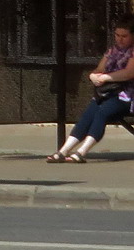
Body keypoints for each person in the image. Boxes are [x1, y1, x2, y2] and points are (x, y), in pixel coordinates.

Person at [46, 13, 134, 163]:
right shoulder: (112, 51)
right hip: (108, 93)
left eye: (124, 36)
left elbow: (129, 73)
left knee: (102, 113)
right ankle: (64, 150)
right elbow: (99, 69)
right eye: (117, 35)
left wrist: (106, 77)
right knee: (89, 113)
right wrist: (94, 76)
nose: (119, 39)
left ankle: (82, 151)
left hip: (127, 96)